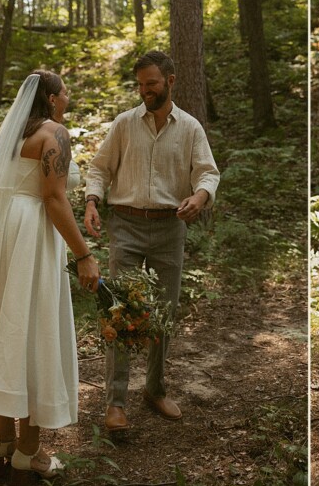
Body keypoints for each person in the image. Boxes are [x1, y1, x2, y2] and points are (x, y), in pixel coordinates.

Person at [0, 70, 101, 483]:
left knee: (7, 330)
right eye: (65, 92)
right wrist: (84, 254)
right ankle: (28, 452)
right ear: (51, 98)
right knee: (32, 332)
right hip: (31, 234)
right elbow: (52, 197)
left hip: (1, 235)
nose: (68, 98)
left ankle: (1, 442)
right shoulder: (56, 134)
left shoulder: (10, 133)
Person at [84, 50, 220, 432]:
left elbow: (207, 173)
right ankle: (116, 402)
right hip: (125, 224)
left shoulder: (190, 127)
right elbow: (99, 168)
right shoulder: (125, 124)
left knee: (163, 311)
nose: (144, 91)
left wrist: (199, 197)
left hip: (169, 227)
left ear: (171, 81)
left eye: (152, 84)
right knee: (121, 314)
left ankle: (156, 389)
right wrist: (92, 201)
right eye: (140, 85)